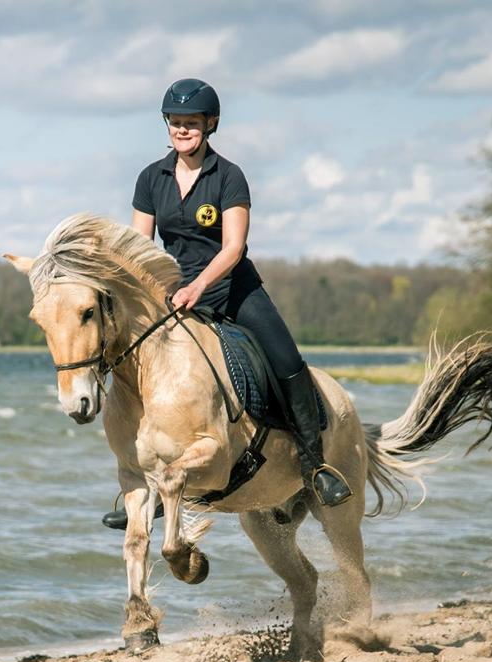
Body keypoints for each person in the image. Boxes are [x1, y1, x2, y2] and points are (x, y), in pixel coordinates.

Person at [103, 78, 351, 528]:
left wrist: (197, 286)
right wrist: (148, 294)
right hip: (172, 298)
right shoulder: (150, 178)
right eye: (176, 123)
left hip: (232, 290)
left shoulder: (229, 176)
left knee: (287, 360)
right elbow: (140, 246)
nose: (183, 131)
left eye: (192, 124)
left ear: (209, 125)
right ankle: (146, 485)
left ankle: (315, 466)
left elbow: (233, 247)